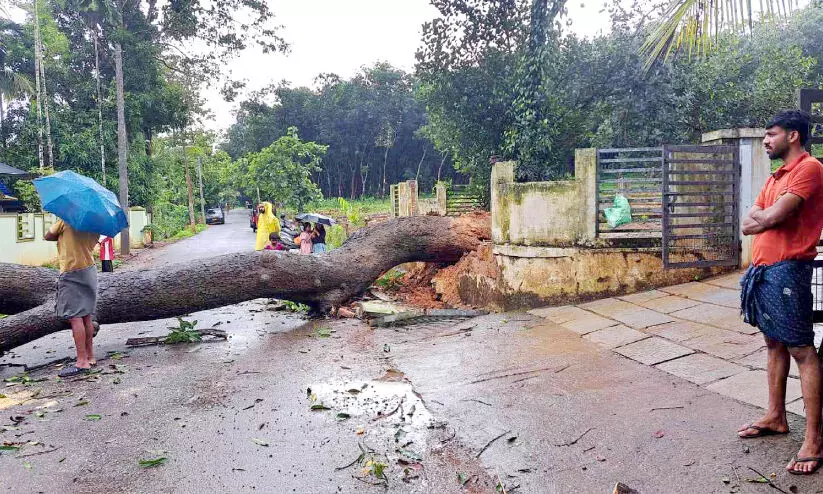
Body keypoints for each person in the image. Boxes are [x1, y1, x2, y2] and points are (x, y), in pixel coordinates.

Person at [738, 110, 823, 475]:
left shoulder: (810, 169)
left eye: (770, 135)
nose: (765, 141)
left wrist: (766, 215)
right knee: (774, 344)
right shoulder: (776, 177)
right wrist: (765, 214)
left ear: (792, 136)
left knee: (802, 350)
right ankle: (776, 416)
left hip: (789, 271)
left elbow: (770, 218)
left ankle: (814, 439)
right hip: (764, 272)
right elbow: (747, 223)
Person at [44, 217, 100, 377]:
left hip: (71, 271)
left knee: (75, 317)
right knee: (86, 316)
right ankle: (90, 357)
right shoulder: (95, 223)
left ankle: (81, 362)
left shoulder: (66, 220)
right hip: (89, 270)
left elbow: (47, 236)